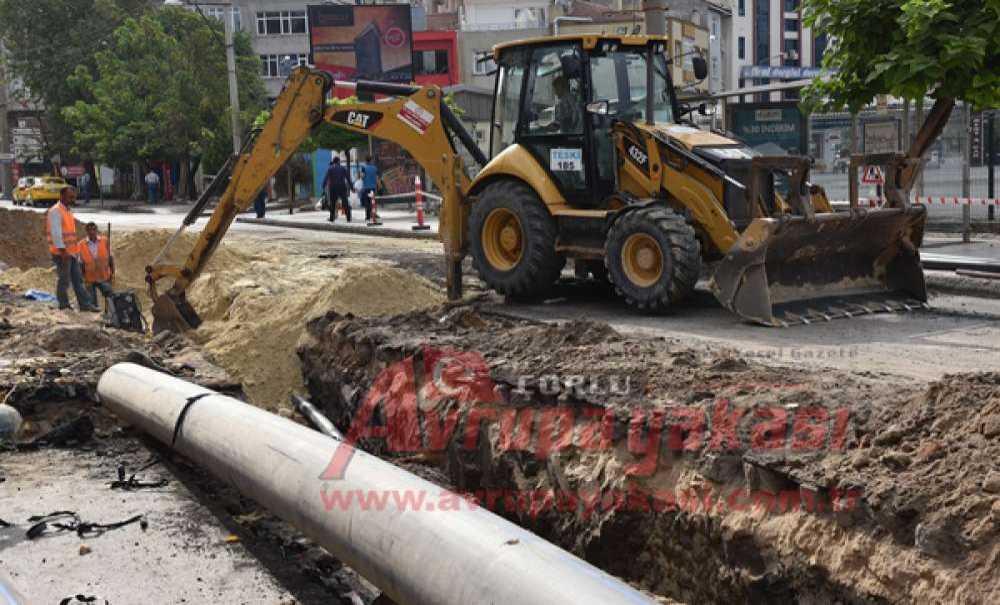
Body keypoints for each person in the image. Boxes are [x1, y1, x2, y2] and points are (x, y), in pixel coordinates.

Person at [46, 187, 98, 312]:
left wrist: (75, 252)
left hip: (72, 252)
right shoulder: (55, 211)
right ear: (62, 196)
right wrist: (63, 251)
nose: (73, 199)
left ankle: (85, 305)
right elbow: (56, 234)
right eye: (70, 197)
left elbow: (70, 233)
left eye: (73, 197)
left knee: (78, 280)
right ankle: (64, 305)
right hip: (62, 253)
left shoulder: (68, 211)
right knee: (64, 280)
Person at [78, 222, 115, 307]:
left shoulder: (105, 241)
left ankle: (112, 314)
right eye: (89, 230)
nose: (92, 232)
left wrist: (112, 273)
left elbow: (110, 258)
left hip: (104, 276)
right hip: (89, 278)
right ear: (86, 231)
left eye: (93, 229)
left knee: (110, 296)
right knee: (92, 303)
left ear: (96, 230)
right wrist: (82, 278)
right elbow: (80, 264)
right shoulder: (81, 245)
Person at [322, 156, 354, 222]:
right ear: (339, 161)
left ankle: (331, 218)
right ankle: (348, 218)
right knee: (345, 202)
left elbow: (326, 178)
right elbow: (348, 179)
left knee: (333, 203)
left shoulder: (330, 169)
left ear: (333, 162)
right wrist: (352, 187)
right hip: (342, 187)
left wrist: (323, 185)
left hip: (333, 188)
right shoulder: (343, 168)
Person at [359, 156, 379, 222]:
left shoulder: (363, 167)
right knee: (372, 201)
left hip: (366, 188)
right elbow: (377, 178)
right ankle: (372, 215)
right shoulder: (375, 168)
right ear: (371, 160)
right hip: (373, 188)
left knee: (367, 202)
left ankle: (367, 216)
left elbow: (362, 176)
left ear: (365, 161)